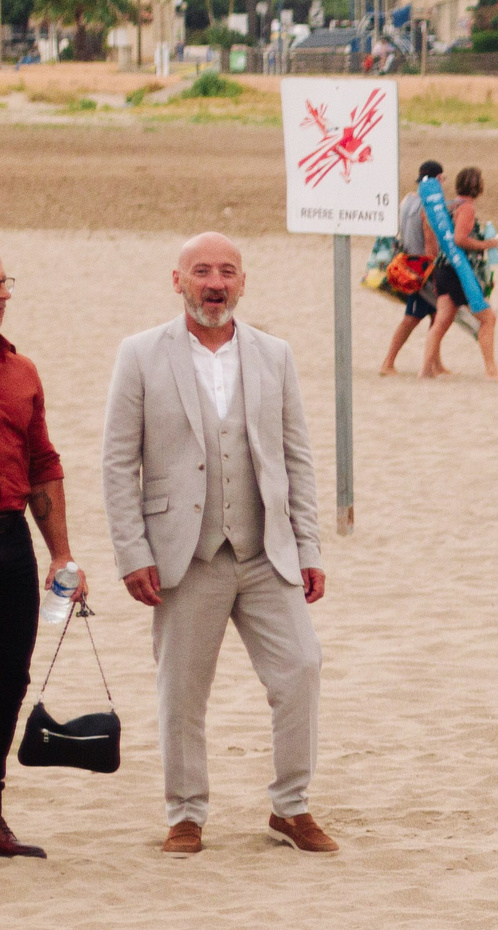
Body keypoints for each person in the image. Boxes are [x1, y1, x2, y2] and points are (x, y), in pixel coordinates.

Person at [103, 232, 334, 856]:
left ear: (242, 282)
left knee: (302, 668)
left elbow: (297, 458)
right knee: (181, 687)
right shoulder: (141, 354)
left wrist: (308, 548)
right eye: (201, 271)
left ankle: (291, 807)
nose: (215, 282)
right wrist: (133, 552)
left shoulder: (273, 354)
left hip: (266, 552)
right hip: (185, 554)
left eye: (227, 271)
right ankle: (186, 815)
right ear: (176, 280)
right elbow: (118, 461)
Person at [0, 255, 80, 859]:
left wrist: (62, 557)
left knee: (8, 678)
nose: (3, 292)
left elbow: (42, 465)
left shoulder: (21, 371)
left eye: (4, 281)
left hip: (9, 541)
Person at [419, 166, 498, 383]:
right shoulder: (467, 209)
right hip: (457, 271)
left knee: (441, 321)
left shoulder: (450, 206)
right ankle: (492, 371)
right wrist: (491, 243)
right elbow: (460, 240)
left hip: (443, 269)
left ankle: (425, 371)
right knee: (488, 318)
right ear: (478, 187)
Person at [378, 160, 444, 377]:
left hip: (407, 263)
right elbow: (429, 237)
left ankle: (436, 363)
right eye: (441, 179)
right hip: (421, 269)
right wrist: (433, 265)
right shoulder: (427, 206)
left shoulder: (408, 200)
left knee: (437, 315)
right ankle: (388, 362)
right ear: (437, 179)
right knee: (412, 318)